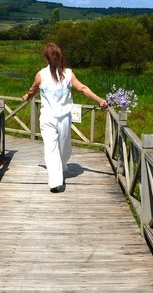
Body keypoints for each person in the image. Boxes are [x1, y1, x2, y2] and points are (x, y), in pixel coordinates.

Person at [22, 43, 108, 192]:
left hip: (64, 118)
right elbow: (32, 90)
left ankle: (60, 166)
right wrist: (28, 97)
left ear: (46, 58)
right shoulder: (41, 74)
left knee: (64, 148)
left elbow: (82, 88)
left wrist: (99, 100)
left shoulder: (67, 74)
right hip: (48, 118)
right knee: (51, 148)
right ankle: (55, 182)